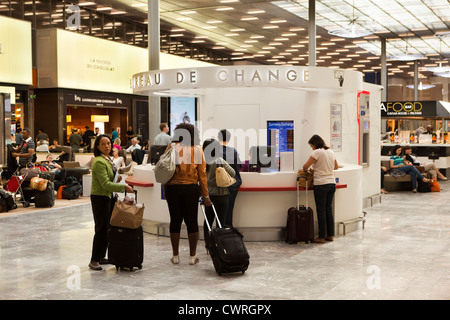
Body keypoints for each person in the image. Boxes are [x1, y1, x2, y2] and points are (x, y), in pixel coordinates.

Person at [163, 123, 210, 266]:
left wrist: (166, 189)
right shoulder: (197, 150)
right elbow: (202, 175)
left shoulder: (171, 147)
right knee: (192, 221)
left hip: (172, 188)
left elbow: (164, 169)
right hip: (190, 188)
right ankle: (192, 256)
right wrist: (206, 195)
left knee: (175, 220)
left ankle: (175, 256)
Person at [89, 134, 134, 271]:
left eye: (108, 143)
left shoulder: (107, 159)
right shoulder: (98, 161)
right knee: (101, 229)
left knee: (107, 228)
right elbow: (105, 184)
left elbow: (110, 178)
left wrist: (117, 177)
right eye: (103, 144)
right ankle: (94, 259)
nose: (107, 146)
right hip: (100, 197)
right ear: (97, 146)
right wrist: (123, 187)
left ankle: (102, 256)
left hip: (108, 197)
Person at [303, 134, 338, 244]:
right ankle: (330, 235)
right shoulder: (331, 152)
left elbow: (305, 166)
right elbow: (335, 167)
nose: (312, 148)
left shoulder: (317, 152)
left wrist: (315, 169)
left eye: (311, 146)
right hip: (331, 183)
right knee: (328, 209)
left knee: (321, 210)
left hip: (321, 184)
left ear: (314, 144)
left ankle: (321, 237)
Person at [202, 138, 235, 244]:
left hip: (208, 195)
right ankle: (219, 244)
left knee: (208, 221)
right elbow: (233, 173)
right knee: (221, 222)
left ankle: (208, 244)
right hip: (222, 194)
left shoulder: (201, 161)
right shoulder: (219, 160)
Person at [218, 129, 242, 226]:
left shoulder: (215, 151)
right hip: (232, 184)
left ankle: (219, 235)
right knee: (229, 210)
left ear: (218, 138)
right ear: (229, 139)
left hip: (219, 185)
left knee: (219, 212)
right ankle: (228, 234)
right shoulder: (234, 151)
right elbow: (238, 167)